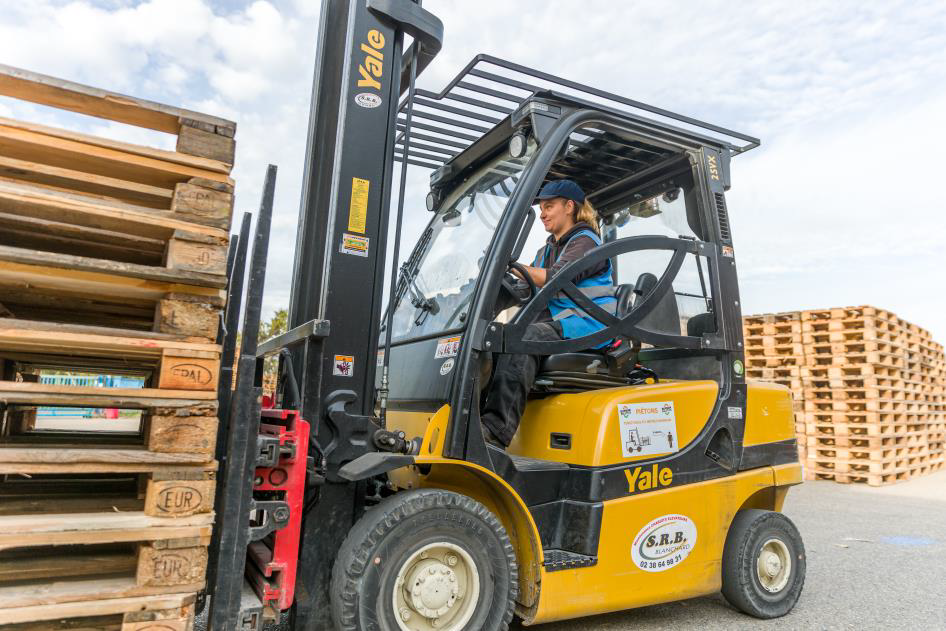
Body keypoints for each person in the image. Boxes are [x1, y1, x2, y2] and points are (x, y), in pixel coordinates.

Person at [481, 179, 616, 448]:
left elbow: (556, 278)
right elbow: (523, 286)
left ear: (569, 207)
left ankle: (495, 431)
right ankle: (474, 417)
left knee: (522, 339)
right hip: (560, 325)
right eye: (541, 207)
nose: (542, 213)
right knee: (491, 337)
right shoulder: (547, 250)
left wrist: (510, 266)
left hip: (585, 326)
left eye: (549, 206)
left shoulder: (586, 242)